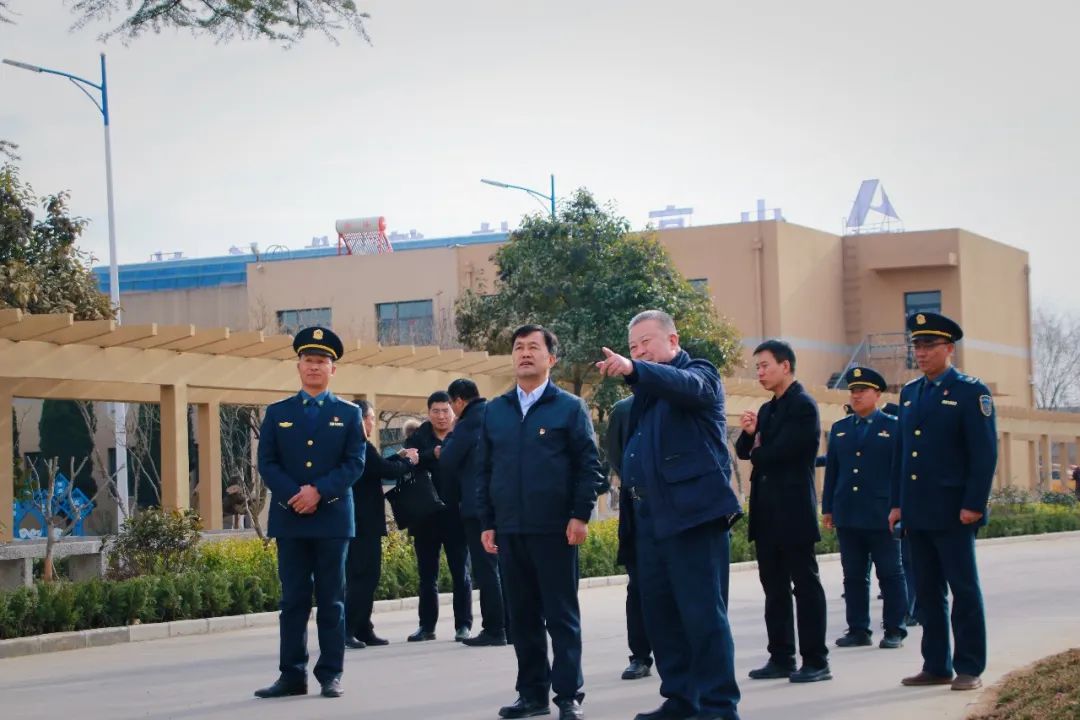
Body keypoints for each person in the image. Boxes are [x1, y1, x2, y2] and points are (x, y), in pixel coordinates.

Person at [596, 310, 742, 720]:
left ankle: (719, 706)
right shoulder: (644, 398)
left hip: (692, 517)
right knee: (660, 616)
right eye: (633, 347)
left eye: (646, 342)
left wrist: (634, 369)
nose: (639, 351)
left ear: (673, 341)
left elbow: (688, 386)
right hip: (648, 520)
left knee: (703, 616)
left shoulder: (700, 374)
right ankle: (681, 699)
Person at [477, 324, 602, 720]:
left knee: (561, 617)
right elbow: (484, 470)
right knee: (523, 617)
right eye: (519, 347)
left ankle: (568, 696)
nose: (525, 353)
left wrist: (580, 514)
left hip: (555, 530)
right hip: (510, 530)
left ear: (552, 358)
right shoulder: (495, 410)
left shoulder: (569, 407)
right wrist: (487, 521)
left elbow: (589, 466)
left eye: (534, 347)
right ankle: (532, 695)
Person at [254, 326, 365, 700]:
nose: (314, 367)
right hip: (290, 518)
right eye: (308, 360)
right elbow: (267, 462)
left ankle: (331, 674)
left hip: (332, 518)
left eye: (321, 361)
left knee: (332, 601)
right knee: (293, 601)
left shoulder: (349, 414)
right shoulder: (278, 412)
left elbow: (355, 463)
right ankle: (291, 675)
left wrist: (318, 491)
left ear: (333, 369)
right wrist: (295, 494)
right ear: (298, 366)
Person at [889, 311, 997, 692]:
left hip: (954, 511)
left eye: (929, 345)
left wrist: (974, 503)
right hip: (918, 511)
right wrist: (897, 504)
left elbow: (984, 453)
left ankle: (969, 666)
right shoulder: (910, 393)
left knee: (963, 590)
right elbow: (902, 454)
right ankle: (936, 665)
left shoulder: (970, 392)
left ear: (949, 348)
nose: (921, 352)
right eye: (916, 345)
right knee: (928, 593)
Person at [736, 339, 831, 683]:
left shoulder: (803, 406)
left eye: (765, 365)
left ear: (785, 366)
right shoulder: (767, 409)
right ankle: (781, 657)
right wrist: (751, 435)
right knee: (774, 588)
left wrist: (760, 451)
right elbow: (745, 451)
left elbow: (785, 452)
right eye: (757, 367)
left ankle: (816, 660)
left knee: (805, 586)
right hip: (766, 512)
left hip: (793, 511)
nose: (759, 373)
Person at [822, 366, 908, 650]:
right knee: (854, 576)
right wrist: (828, 508)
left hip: (882, 513)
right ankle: (858, 629)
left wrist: (899, 506)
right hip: (848, 512)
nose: (856, 396)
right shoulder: (841, 429)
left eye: (862, 391)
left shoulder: (894, 427)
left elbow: (901, 472)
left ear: (877, 394)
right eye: (853, 391)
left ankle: (895, 628)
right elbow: (833, 472)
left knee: (890, 573)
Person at [344, 400, 419, 649]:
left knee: (367, 576)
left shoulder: (356, 444)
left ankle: (363, 628)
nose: (373, 423)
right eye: (371, 418)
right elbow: (384, 469)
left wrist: (398, 457)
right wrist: (408, 462)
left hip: (363, 521)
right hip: (362, 523)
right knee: (363, 577)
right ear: (361, 419)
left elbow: (377, 466)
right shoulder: (358, 444)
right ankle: (348, 629)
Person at [440, 378, 508, 647]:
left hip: (477, 505)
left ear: (458, 400)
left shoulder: (467, 423)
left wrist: (448, 440)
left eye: (450, 404)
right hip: (502, 502)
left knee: (485, 569)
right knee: (503, 567)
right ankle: (510, 625)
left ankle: (494, 628)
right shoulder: (496, 414)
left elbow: (448, 459)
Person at [404, 391, 473, 642]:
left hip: (456, 515)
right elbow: (408, 464)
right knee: (427, 576)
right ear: (428, 412)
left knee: (461, 574)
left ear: (453, 411)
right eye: (436, 411)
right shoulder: (418, 437)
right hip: (426, 516)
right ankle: (426, 626)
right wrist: (430, 455)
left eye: (445, 410)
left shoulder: (463, 434)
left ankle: (463, 625)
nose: (441, 416)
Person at [604, 395, 654, 681]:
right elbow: (616, 454)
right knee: (638, 586)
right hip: (637, 507)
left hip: (677, 508)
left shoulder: (679, 400)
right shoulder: (623, 410)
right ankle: (639, 655)